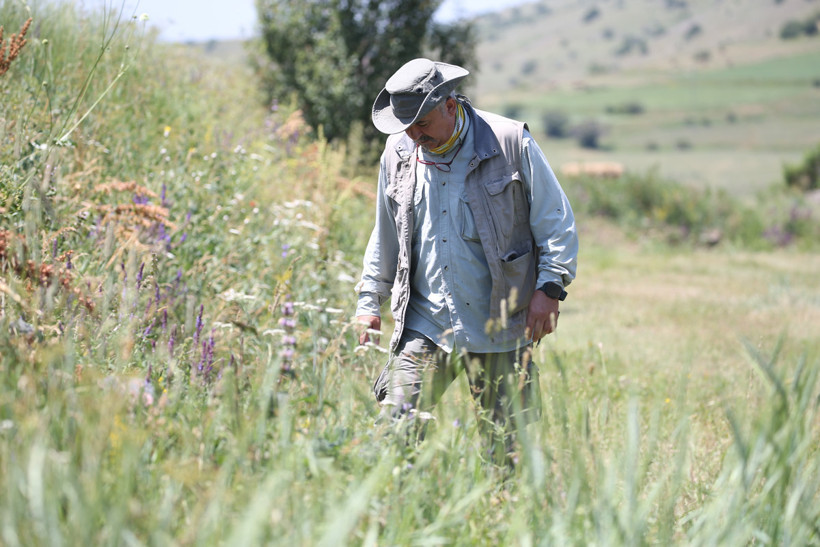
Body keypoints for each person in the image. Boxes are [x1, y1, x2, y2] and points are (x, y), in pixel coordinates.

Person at [355, 58, 578, 461]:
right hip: (428, 323)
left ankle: (504, 515)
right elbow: (384, 234)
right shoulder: (397, 152)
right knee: (392, 435)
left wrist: (550, 288)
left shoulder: (510, 142)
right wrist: (369, 301)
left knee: (507, 451)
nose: (413, 134)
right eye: (405, 125)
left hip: (500, 323)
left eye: (421, 123)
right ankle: (394, 518)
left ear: (450, 106)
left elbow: (555, 221)